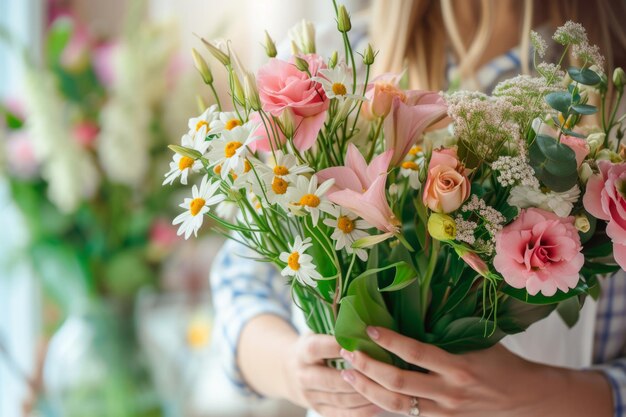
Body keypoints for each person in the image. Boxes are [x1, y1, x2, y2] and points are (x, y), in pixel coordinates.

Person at [210, 1, 626, 416]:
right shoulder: (338, 62)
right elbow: (245, 278)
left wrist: (545, 394)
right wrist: (289, 370)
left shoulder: (607, 91)